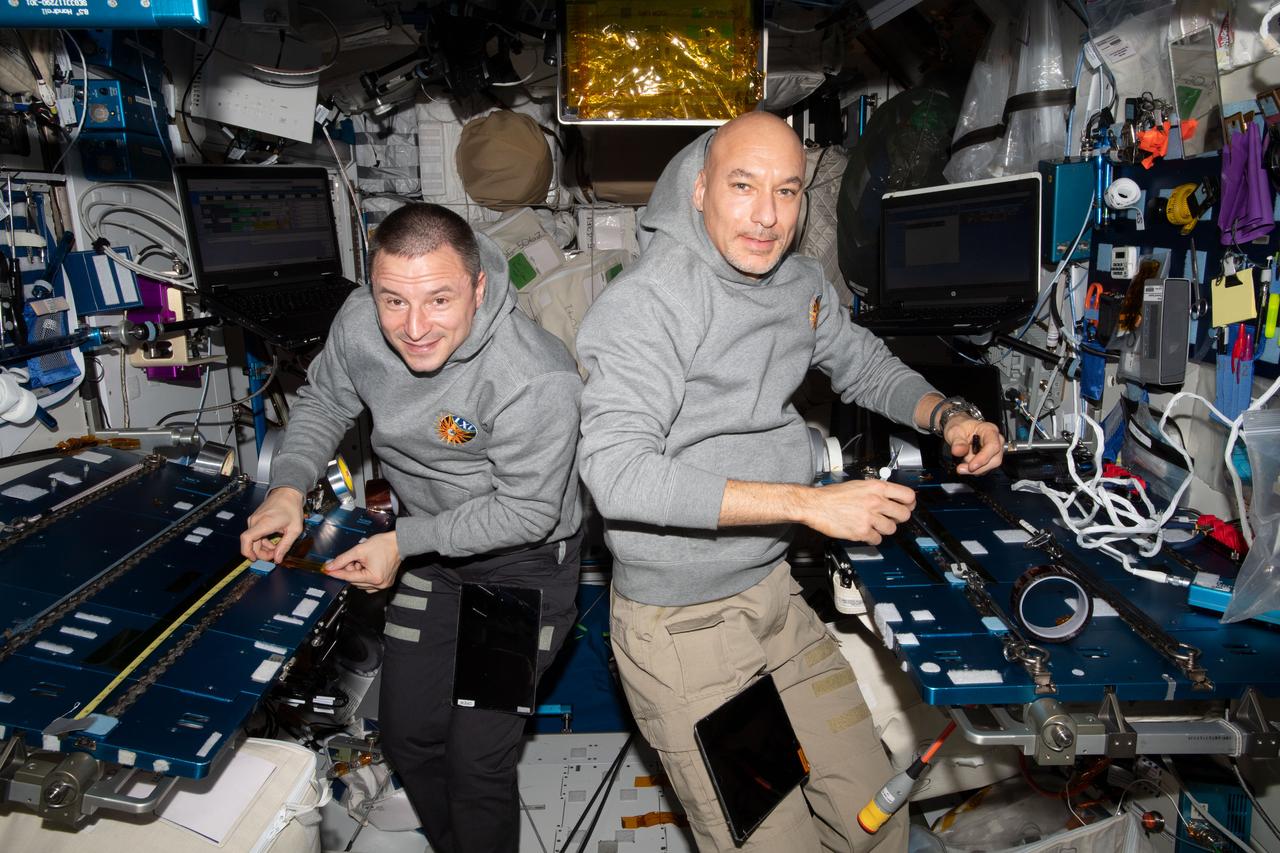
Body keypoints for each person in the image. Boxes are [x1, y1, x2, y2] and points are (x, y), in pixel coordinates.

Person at [576, 111, 1005, 852]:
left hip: (772, 598)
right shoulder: (649, 304)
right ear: (702, 189)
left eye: (788, 190)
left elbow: (862, 363)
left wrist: (947, 416)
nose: (768, 216)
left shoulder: (800, 282)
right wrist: (810, 504)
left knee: (876, 814)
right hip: (684, 627)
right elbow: (617, 474)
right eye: (744, 187)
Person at [240, 203, 583, 853]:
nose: (414, 327)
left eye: (439, 300)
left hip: (520, 564)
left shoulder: (535, 376)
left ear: (479, 287)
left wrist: (401, 542)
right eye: (393, 301)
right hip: (430, 554)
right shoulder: (361, 322)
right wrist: (287, 488)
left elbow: (527, 512)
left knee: (477, 759)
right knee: (409, 738)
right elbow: (325, 399)